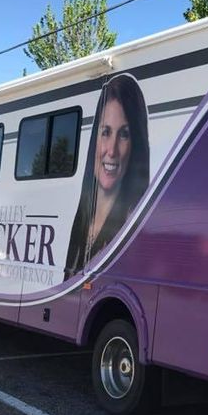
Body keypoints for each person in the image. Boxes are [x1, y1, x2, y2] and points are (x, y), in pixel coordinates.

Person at [65, 73, 149, 278]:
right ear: (95, 137)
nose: (111, 151)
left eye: (124, 134)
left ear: (135, 144)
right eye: (106, 132)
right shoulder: (80, 221)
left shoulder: (132, 230)